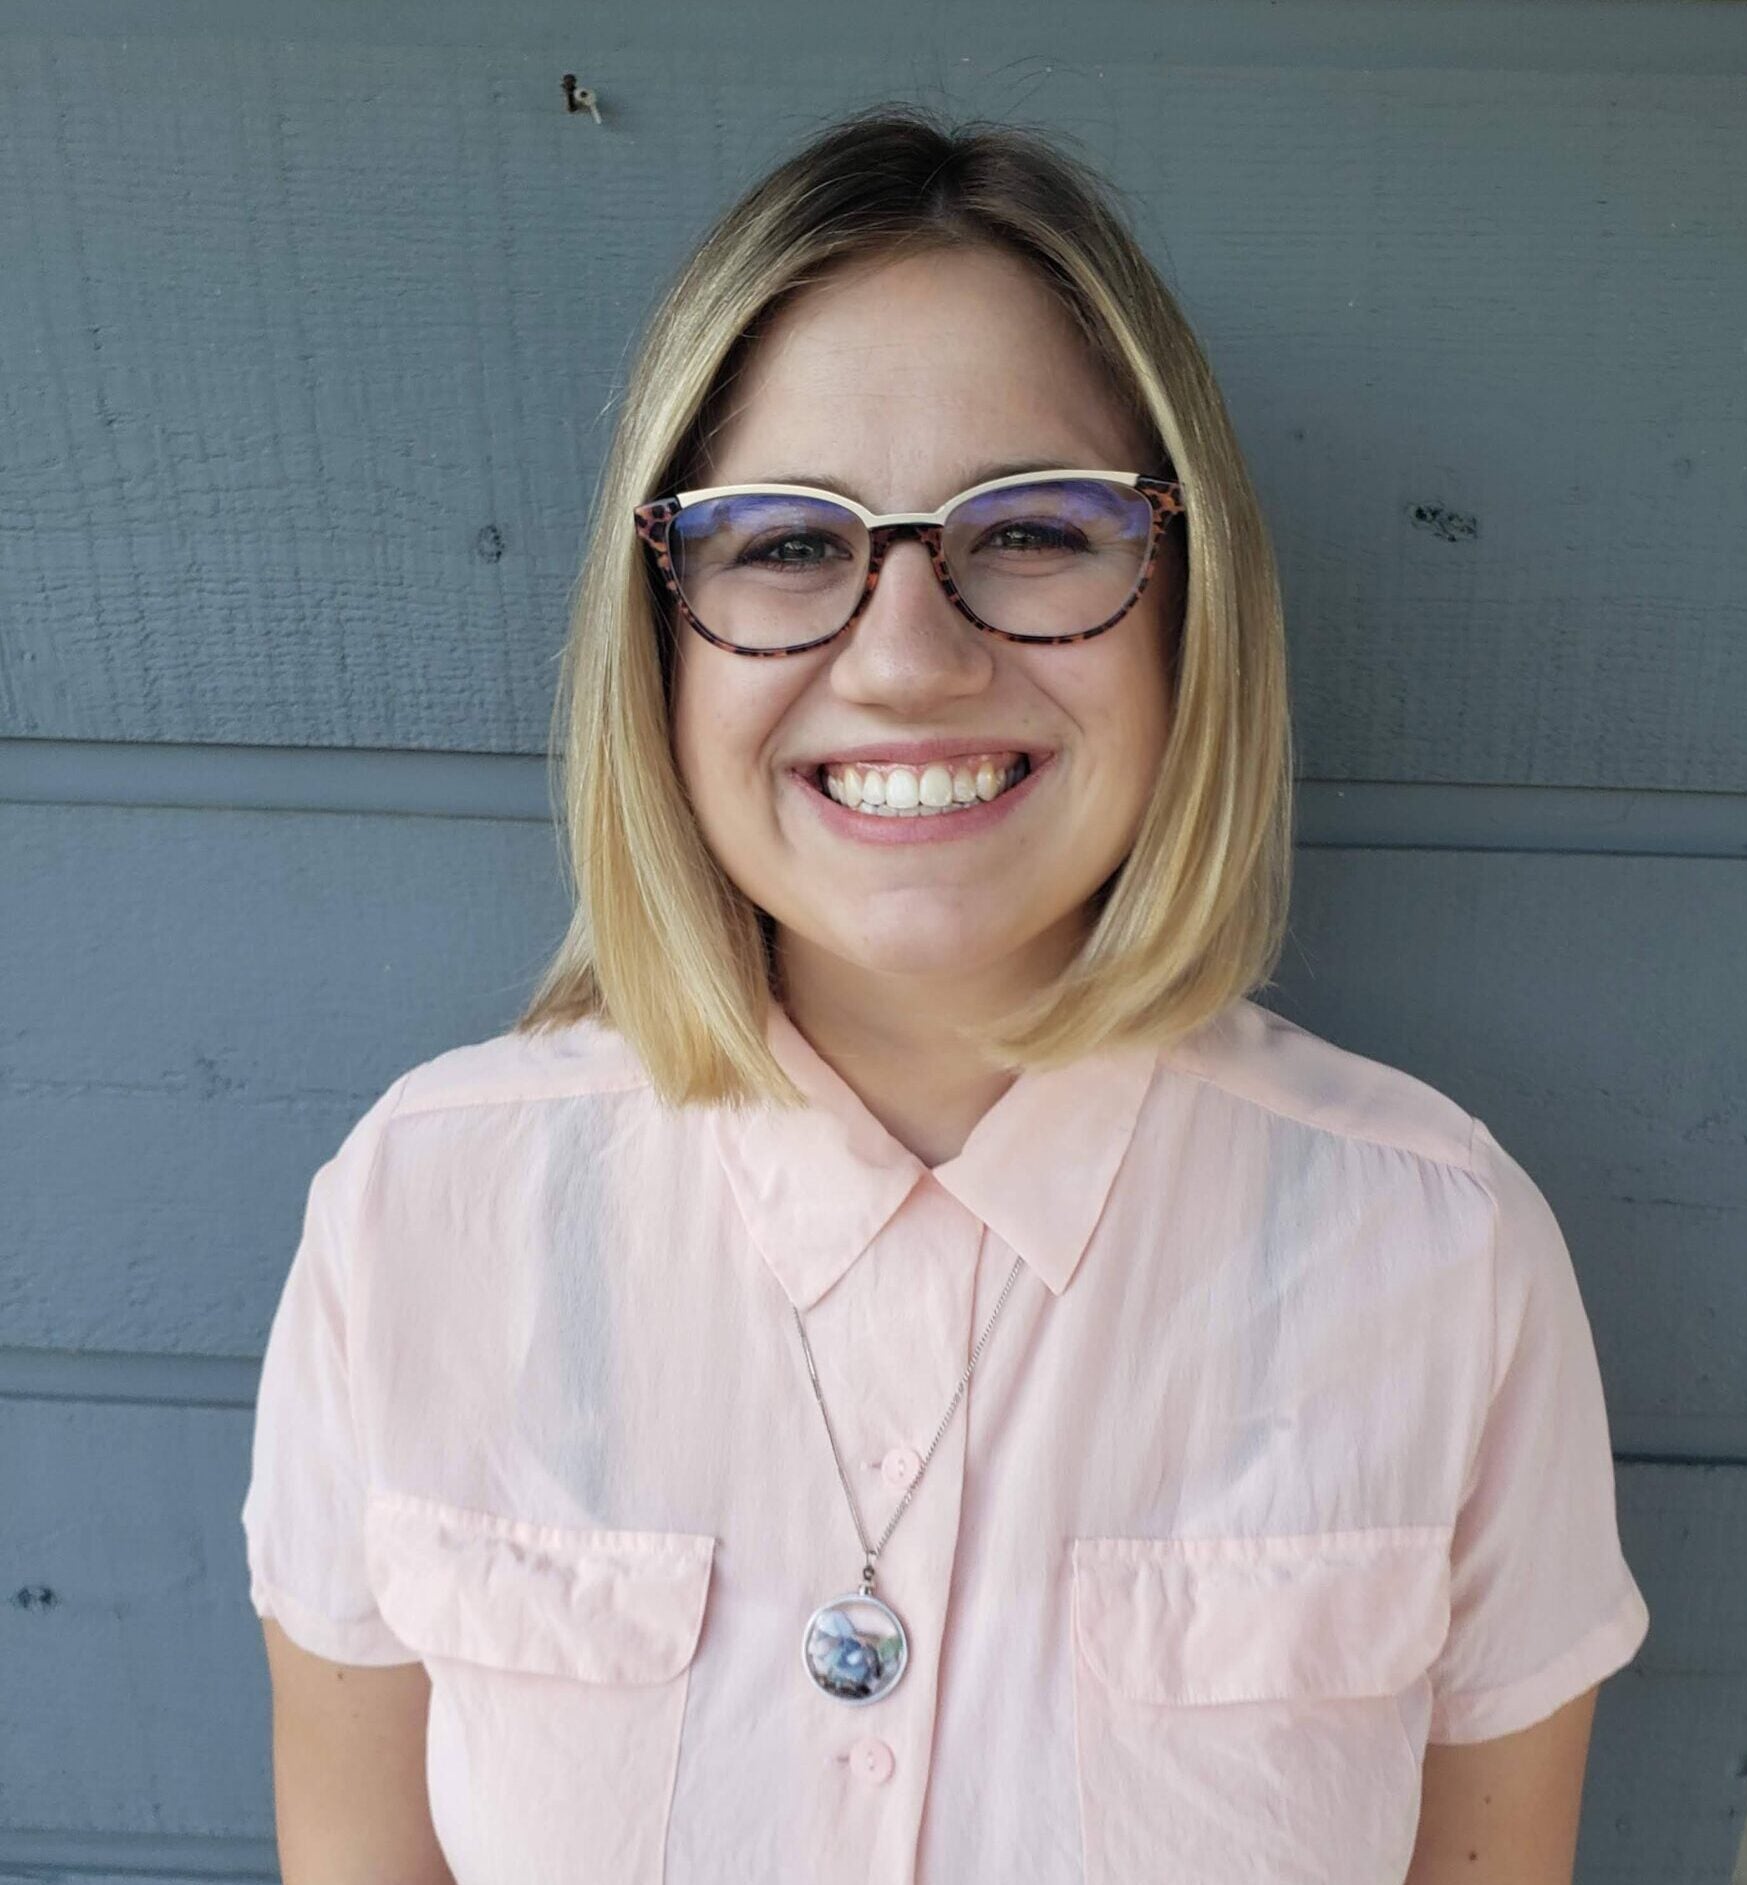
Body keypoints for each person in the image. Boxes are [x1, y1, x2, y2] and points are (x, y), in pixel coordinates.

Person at [241, 105, 1649, 1884]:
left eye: (1037, 529)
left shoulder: (1442, 1258)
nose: (908, 655)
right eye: (786, 544)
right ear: (657, 634)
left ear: (1184, 607)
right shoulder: (417, 1216)